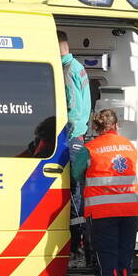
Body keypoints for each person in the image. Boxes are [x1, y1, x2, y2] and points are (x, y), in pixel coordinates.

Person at [71, 109, 138, 276]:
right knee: (124, 262)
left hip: (104, 213)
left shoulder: (89, 149)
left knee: (108, 262)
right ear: (116, 125)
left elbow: (76, 174)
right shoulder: (129, 146)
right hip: (129, 211)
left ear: (96, 128)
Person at [59, 31, 91, 233]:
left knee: (74, 193)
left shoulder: (67, 70)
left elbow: (73, 108)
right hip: (79, 135)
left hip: (72, 137)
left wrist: (61, 131)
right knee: (77, 190)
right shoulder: (78, 66)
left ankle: (76, 244)